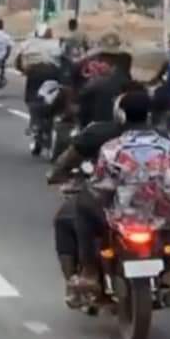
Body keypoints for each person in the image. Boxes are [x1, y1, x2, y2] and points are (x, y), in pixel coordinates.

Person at [72, 89, 170, 297]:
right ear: (149, 114)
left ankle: (89, 271)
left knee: (83, 205)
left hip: (123, 218)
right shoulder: (168, 146)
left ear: (121, 115)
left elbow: (102, 185)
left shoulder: (112, 148)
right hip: (162, 217)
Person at [48, 82, 144, 302]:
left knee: (67, 218)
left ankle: (85, 275)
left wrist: (56, 175)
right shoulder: (163, 137)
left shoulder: (101, 135)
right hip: (154, 207)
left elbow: (66, 163)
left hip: (113, 206)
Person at [73, 31, 132, 128]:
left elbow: (81, 108)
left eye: (100, 60)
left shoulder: (95, 85)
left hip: (96, 132)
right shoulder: (126, 79)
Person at [16, 24, 62, 130]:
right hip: (53, 73)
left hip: (35, 73)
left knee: (31, 98)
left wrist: (23, 70)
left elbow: (18, 59)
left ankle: (34, 123)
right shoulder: (57, 44)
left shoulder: (27, 44)